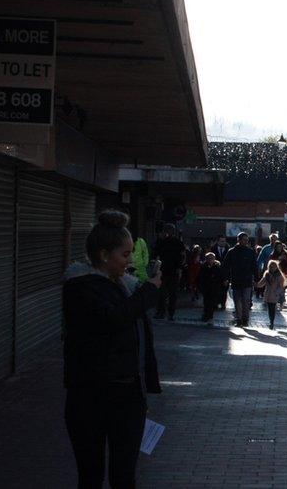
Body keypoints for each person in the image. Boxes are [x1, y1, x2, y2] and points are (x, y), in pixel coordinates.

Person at [62, 210, 162, 489]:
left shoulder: (125, 287)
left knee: (124, 475)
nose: (130, 261)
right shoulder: (80, 287)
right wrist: (149, 292)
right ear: (104, 255)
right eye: (124, 254)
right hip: (90, 397)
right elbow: (112, 319)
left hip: (127, 396)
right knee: (91, 475)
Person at [223, 232, 257, 327]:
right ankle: (239, 318)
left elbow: (254, 266)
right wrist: (226, 278)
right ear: (239, 240)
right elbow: (226, 266)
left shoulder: (250, 252)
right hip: (236, 280)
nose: (246, 241)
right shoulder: (232, 252)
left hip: (247, 280)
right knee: (237, 300)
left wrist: (256, 279)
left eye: (247, 240)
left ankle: (245, 318)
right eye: (244, 240)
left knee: (246, 300)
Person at [153, 223, 185, 321]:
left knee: (163, 293)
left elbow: (156, 255)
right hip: (172, 271)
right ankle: (170, 314)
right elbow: (182, 257)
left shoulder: (161, 242)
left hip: (165, 271)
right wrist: (179, 269)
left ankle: (161, 312)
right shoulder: (178, 243)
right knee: (172, 294)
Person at [256, 260, 287, 330]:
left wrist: (277, 292)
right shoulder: (267, 274)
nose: (272, 268)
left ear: (276, 267)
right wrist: (257, 285)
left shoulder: (279, 275)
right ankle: (271, 321)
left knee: (272, 308)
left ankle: (271, 322)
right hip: (268, 293)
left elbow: (281, 286)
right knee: (270, 308)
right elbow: (262, 282)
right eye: (271, 266)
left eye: (274, 266)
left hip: (275, 294)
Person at [199, 252, 227, 322]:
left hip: (214, 288)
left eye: (212, 258)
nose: (210, 260)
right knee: (206, 302)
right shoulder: (203, 267)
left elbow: (221, 277)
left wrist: (223, 282)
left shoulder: (217, 267)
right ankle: (206, 315)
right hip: (206, 288)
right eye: (208, 259)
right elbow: (201, 278)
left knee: (212, 303)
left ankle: (210, 316)